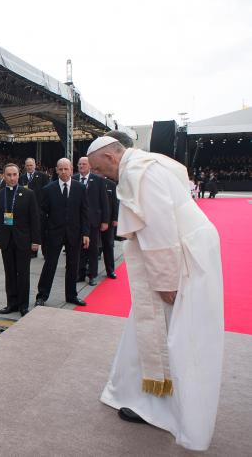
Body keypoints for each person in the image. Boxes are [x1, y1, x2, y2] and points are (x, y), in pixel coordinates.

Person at [87, 136, 224, 451]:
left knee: (178, 333)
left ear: (110, 157)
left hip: (182, 258)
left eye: (98, 168)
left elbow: (159, 228)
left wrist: (165, 281)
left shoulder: (139, 173)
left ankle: (170, 409)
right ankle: (139, 394)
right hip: (188, 247)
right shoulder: (151, 161)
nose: (99, 175)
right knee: (149, 326)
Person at [35, 158, 89, 307]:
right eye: (61, 169)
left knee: (73, 265)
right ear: (56, 170)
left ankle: (72, 295)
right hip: (54, 234)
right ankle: (42, 296)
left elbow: (84, 212)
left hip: (74, 233)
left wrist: (86, 233)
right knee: (50, 265)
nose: (64, 172)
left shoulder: (80, 188)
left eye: (66, 169)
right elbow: (42, 214)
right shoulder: (48, 189)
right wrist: (41, 236)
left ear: (72, 169)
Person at [0, 163, 41, 316]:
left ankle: (23, 305)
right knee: (10, 273)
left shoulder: (28, 194)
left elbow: (35, 219)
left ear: (19, 175)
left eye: (14, 175)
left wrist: (36, 241)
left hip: (23, 241)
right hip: (6, 241)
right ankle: (11, 303)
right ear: (4, 176)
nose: (12, 178)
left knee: (23, 274)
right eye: (8, 175)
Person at [74, 156, 110, 286]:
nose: (81, 166)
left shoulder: (98, 180)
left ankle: (92, 275)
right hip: (78, 221)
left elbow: (104, 202)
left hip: (93, 221)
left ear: (90, 166)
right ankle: (81, 274)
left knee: (93, 249)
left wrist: (105, 221)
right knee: (80, 248)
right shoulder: (74, 179)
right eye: (79, 164)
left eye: (84, 164)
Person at [20, 158, 49, 258]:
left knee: (43, 232)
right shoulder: (22, 178)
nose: (29, 167)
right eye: (27, 165)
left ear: (35, 165)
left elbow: (47, 193)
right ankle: (32, 252)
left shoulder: (43, 176)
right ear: (25, 166)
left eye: (31, 165)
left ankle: (46, 252)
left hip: (40, 210)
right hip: (27, 210)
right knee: (30, 231)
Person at [101, 177, 119, 279]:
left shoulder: (111, 184)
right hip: (95, 219)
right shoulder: (93, 181)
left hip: (108, 219)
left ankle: (110, 270)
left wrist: (115, 218)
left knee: (108, 245)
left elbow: (115, 203)